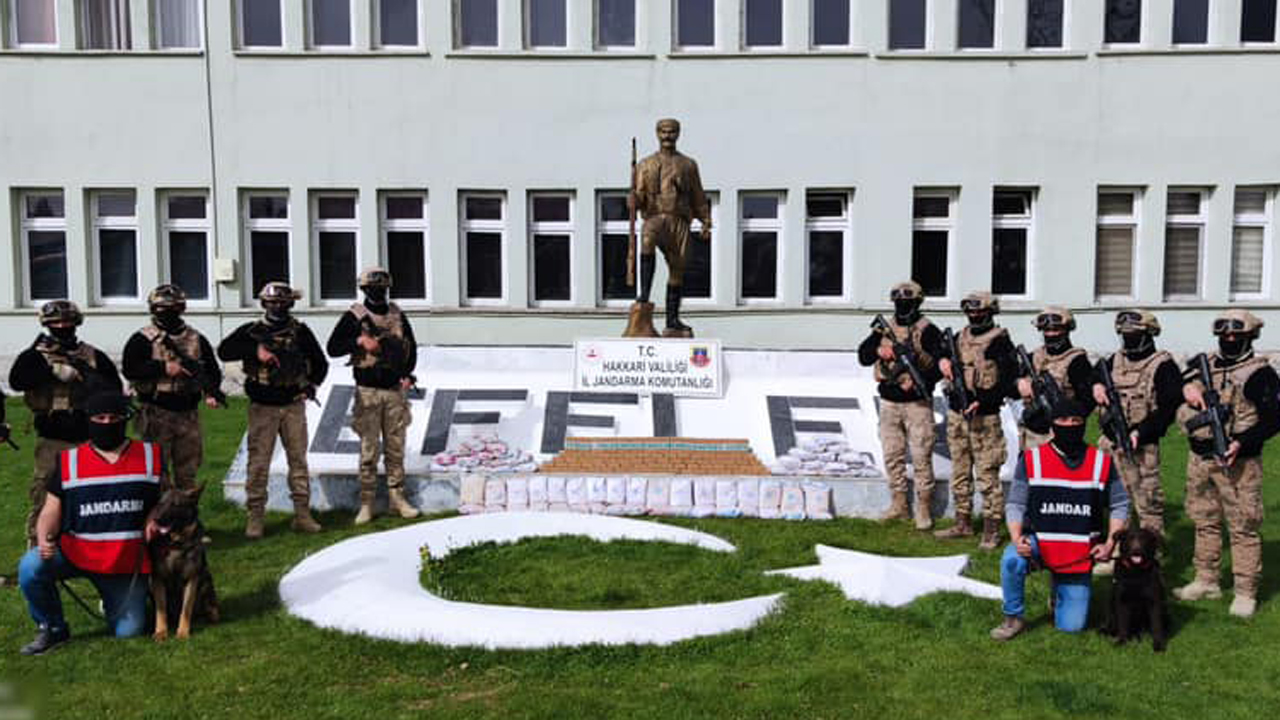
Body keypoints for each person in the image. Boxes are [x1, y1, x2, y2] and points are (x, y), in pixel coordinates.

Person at [16, 392, 162, 655]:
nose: (107, 423)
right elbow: (50, 509)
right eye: (100, 418)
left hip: (125, 563)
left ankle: (117, 602)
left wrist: (153, 518)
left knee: (129, 633)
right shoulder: (69, 460)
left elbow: (164, 501)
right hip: (77, 553)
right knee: (30, 565)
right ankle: (52, 628)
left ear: (125, 419)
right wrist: (43, 537)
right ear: (90, 420)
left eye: (114, 418)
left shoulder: (150, 456)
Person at [990, 399, 1129, 641]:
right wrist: (1016, 537)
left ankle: (1058, 591)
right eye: (1063, 420)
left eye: (1076, 421)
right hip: (1038, 544)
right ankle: (1013, 617)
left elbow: (1120, 504)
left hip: (1078, 553)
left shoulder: (1101, 462)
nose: (1070, 425)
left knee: (1072, 627)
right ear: (1053, 426)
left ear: (1084, 425)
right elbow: (1015, 503)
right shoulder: (1032, 459)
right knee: (1012, 560)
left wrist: (1109, 544)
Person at [1173, 310, 1280, 618]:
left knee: (1243, 526)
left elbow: (1273, 419)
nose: (1229, 340)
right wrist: (1187, 389)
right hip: (1200, 459)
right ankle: (1207, 579)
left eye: (1237, 336)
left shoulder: (1260, 374)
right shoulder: (1206, 362)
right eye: (1225, 336)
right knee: (1204, 520)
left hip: (1239, 463)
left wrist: (1240, 443)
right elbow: (1177, 381)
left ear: (1249, 337)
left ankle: (1245, 591)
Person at [217, 282, 328, 539]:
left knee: (298, 462)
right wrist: (255, 351)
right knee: (258, 464)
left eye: (282, 302)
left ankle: (302, 514)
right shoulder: (252, 331)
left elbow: (320, 363)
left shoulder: (300, 332)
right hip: (262, 407)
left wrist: (310, 386)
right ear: (263, 304)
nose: (277, 306)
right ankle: (255, 517)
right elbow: (224, 350)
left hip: (293, 405)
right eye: (271, 302)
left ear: (290, 303)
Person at [8, 301, 123, 548]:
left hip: (88, 436)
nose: (62, 326)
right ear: (47, 325)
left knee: (94, 493)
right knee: (44, 491)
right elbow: (17, 381)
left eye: (67, 322)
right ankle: (37, 546)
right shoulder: (35, 355)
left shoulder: (92, 356)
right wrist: (51, 371)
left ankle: (92, 542)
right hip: (52, 436)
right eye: (56, 323)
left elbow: (113, 389)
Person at [326, 267, 421, 524]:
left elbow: (410, 349)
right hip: (367, 391)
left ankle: (396, 499)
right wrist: (358, 341)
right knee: (368, 450)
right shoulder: (354, 316)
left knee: (395, 448)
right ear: (364, 289)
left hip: (393, 392)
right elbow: (332, 347)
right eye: (372, 288)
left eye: (382, 288)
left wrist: (406, 372)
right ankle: (366, 503)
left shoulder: (397, 315)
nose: (378, 292)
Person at [857, 280, 944, 530]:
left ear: (918, 302)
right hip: (889, 403)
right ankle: (899, 505)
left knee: (921, 456)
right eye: (898, 301)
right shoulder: (883, 329)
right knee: (892, 455)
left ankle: (923, 508)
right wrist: (879, 350)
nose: (902, 306)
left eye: (907, 301)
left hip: (917, 404)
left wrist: (921, 383)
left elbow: (940, 364)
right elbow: (863, 356)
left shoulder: (927, 329)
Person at [1091, 309, 1181, 541]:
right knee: (1114, 500)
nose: (1128, 339)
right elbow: (1092, 378)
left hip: (1142, 447)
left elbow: (1169, 408)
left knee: (1147, 503)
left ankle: (1150, 559)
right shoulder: (1114, 360)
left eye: (1134, 334)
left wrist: (1140, 432)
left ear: (1149, 334)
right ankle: (1115, 551)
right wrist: (1097, 386)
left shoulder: (1162, 365)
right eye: (1124, 334)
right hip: (1109, 443)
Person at [122, 284, 223, 490]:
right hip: (156, 412)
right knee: (156, 472)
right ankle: (157, 518)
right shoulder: (142, 338)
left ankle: (185, 517)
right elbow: (130, 368)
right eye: (161, 308)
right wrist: (163, 368)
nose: (168, 312)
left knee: (188, 471)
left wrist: (210, 391)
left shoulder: (196, 339)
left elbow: (212, 370)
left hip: (188, 413)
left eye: (174, 307)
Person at [935, 291, 1016, 549]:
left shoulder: (1000, 342)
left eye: (980, 312)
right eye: (971, 313)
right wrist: (943, 361)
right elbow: (940, 350)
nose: (975, 316)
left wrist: (984, 399)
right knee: (959, 469)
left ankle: (991, 528)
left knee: (987, 473)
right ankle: (963, 522)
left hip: (985, 418)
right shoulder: (960, 337)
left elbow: (1007, 380)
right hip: (958, 415)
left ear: (991, 312)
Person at [625, 117, 713, 338]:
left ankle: (672, 319)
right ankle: (643, 297)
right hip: (655, 217)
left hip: (679, 220)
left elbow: (698, 196)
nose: (667, 136)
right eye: (663, 131)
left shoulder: (688, 164)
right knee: (646, 241)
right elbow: (641, 198)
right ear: (657, 133)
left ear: (678, 134)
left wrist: (706, 220)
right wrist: (634, 199)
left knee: (677, 269)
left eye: (672, 132)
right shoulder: (645, 164)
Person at [1015, 306, 1095, 450]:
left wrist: (1067, 419)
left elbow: (1087, 402)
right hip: (1030, 434)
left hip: (1059, 436)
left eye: (1055, 330)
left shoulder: (1077, 361)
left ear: (1067, 330)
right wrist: (1019, 384)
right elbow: (1006, 385)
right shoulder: (1034, 357)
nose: (1050, 334)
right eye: (1046, 330)